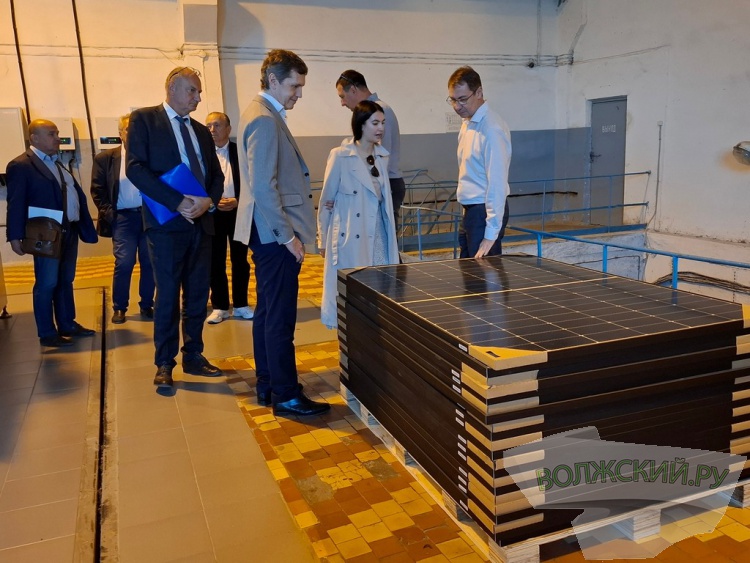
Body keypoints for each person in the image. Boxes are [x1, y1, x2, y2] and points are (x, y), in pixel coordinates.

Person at [234, 49, 330, 417]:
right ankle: (287, 396)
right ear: (273, 80)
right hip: (274, 236)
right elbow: (263, 186)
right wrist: (288, 237)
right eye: (294, 85)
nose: (299, 93)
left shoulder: (261, 113)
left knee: (267, 314)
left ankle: (268, 385)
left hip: (266, 233)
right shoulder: (263, 119)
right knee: (279, 318)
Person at [126, 67, 225, 389]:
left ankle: (193, 355)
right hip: (167, 225)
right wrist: (177, 201)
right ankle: (164, 362)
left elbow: (216, 175)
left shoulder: (200, 131)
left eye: (199, 92)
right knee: (167, 295)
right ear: (172, 89)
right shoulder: (145, 120)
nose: (198, 98)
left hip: (201, 224)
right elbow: (136, 169)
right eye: (192, 91)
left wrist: (208, 201)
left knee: (197, 295)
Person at [6, 119, 98, 347]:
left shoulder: (56, 164)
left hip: (68, 230)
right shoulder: (21, 165)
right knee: (47, 283)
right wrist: (14, 236)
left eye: (57, 133)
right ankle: (47, 332)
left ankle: (67, 324)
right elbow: (16, 203)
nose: (58, 138)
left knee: (65, 280)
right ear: (34, 138)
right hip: (45, 234)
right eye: (51, 134)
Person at [318, 100, 399, 329]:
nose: (381, 128)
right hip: (352, 236)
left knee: (380, 291)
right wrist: (323, 239)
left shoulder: (382, 157)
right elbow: (326, 201)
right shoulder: (340, 156)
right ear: (361, 124)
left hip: (380, 233)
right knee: (353, 295)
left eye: (383, 123)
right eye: (375, 123)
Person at [90, 113, 155, 325]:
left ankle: (147, 304)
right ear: (121, 133)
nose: (134, 133)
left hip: (148, 217)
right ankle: (119, 307)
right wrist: (111, 214)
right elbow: (97, 190)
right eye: (129, 129)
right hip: (123, 219)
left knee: (150, 262)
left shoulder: (150, 157)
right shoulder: (106, 159)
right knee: (124, 262)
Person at [447, 66, 512, 258]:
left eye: (462, 99)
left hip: (483, 212)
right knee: (469, 271)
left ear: (479, 93)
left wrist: (491, 233)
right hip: (471, 211)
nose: (457, 106)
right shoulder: (468, 123)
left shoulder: (491, 129)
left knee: (485, 272)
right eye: (453, 100)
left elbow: (497, 183)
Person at [335, 70, 405, 224]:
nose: (342, 103)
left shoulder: (378, 110)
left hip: (384, 182)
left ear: (353, 90)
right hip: (378, 182)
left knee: (380, 235)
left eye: (342, 96)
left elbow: (381, 157)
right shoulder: (374, 109)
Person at [204, 111, 253, 324]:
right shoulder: (203, 154)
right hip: (212, 213)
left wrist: (238, 200)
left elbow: (252, 182)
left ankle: (241, 304)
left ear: (228, 129)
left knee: (240, 260)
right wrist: (212, 201)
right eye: (208, 126)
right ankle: (220, 307)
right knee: (215, 261)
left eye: (217, 125)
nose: (212, 130)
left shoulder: (241, 151)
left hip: (238, 211)